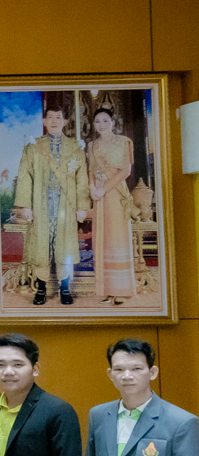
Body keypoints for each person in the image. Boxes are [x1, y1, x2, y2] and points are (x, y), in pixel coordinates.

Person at [11, 96, 86, 306]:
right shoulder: (33, 147)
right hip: (41, 204)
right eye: (50, 117)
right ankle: (41, 289)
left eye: (58, 117)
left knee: (65, 246)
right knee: (41, 246)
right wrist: (25, 205)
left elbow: (82, 178)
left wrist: (81, 207)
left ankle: (64, 288)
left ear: (64, 122)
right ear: (44, 121)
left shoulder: (75, 147)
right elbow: (25, 174)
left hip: (66, 204)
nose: (54, 121)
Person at [87, 104, 139, 305]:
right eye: (97, 121)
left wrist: (104, 189)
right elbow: (91, 171)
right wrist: (92, 188)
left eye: (105, 121)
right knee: (102, 239)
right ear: (93, 124)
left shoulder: (123, 142)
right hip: (98, 197)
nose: (101, 124)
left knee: (117, 238)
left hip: (115, 194)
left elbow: (125, 171)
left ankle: (121, 290)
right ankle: (107, 290)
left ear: (113, 123)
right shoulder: (92, 146)